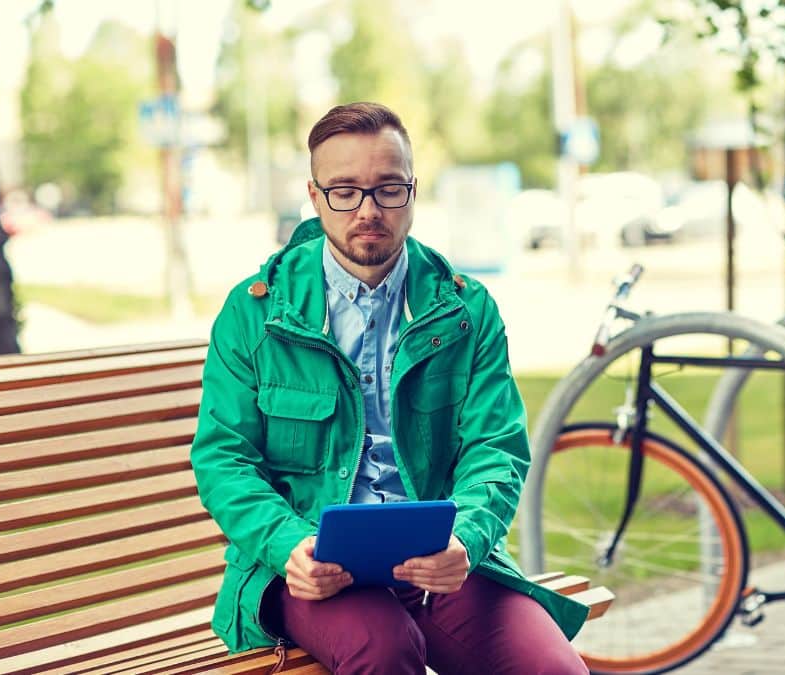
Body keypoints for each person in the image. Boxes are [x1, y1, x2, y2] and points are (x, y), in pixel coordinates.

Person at [191, 102, 589, 675]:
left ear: (413, 190)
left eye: (388, 189)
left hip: (443, 560)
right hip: (313, 569)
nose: (369, 210)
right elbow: (223, 459)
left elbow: (495, 449)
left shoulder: (465, 310)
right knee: (384, 649)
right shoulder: (256, 312)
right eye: (345, 191)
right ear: (314, 195)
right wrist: (286, 547)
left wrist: (467, 540)